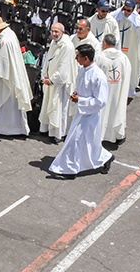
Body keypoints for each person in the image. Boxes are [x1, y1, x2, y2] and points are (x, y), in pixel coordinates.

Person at [48, 44, 114, 179]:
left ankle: (70, 169)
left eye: (78, 56)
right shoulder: (82, 69)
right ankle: (105, 158)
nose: (76, 58)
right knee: (87, 142)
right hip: (81, 112)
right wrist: (76, 95)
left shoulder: (98, 76)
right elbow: (81, 87)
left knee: (76, 140)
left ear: (86, 58)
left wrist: (81, 100)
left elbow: (100, 101)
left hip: (90, 114)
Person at [0, 16, 33, 136]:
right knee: (11, 104)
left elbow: (2, 61)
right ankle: (12, 128)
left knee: (0, 101)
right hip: (12, 73)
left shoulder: (5, 40)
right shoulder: (9, 34)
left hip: (5, 75)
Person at [39, 23, 77, 142]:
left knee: (59, 108)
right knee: (49, 105)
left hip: (60, 84)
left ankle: (58, 134)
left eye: (57, 32)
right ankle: (47, 129)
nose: (54, 34)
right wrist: (44, 75)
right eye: (52, 31)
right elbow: (48, 60)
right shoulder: (54, 43)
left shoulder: (67, 46)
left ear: (63, 32)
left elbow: (64, 67)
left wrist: (52, 80)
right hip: (49, 80)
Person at [96, 34, 131, 145]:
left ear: (105, 44)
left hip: (103, 91)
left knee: (103, 112)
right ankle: (115, 135)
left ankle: (99, 134)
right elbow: (127, 76)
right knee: (116, 109)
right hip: (118, 90)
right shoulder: (124, 58)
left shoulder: (99, 57)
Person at [112, 0, 140, 94]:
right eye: (124, 9)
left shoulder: (137, 20)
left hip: (131, 50)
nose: (126, 12)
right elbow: (111, 17)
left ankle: (128, 90)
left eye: (129, 10)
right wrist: (120, 10)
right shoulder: (118, 15)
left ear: (133, 9)